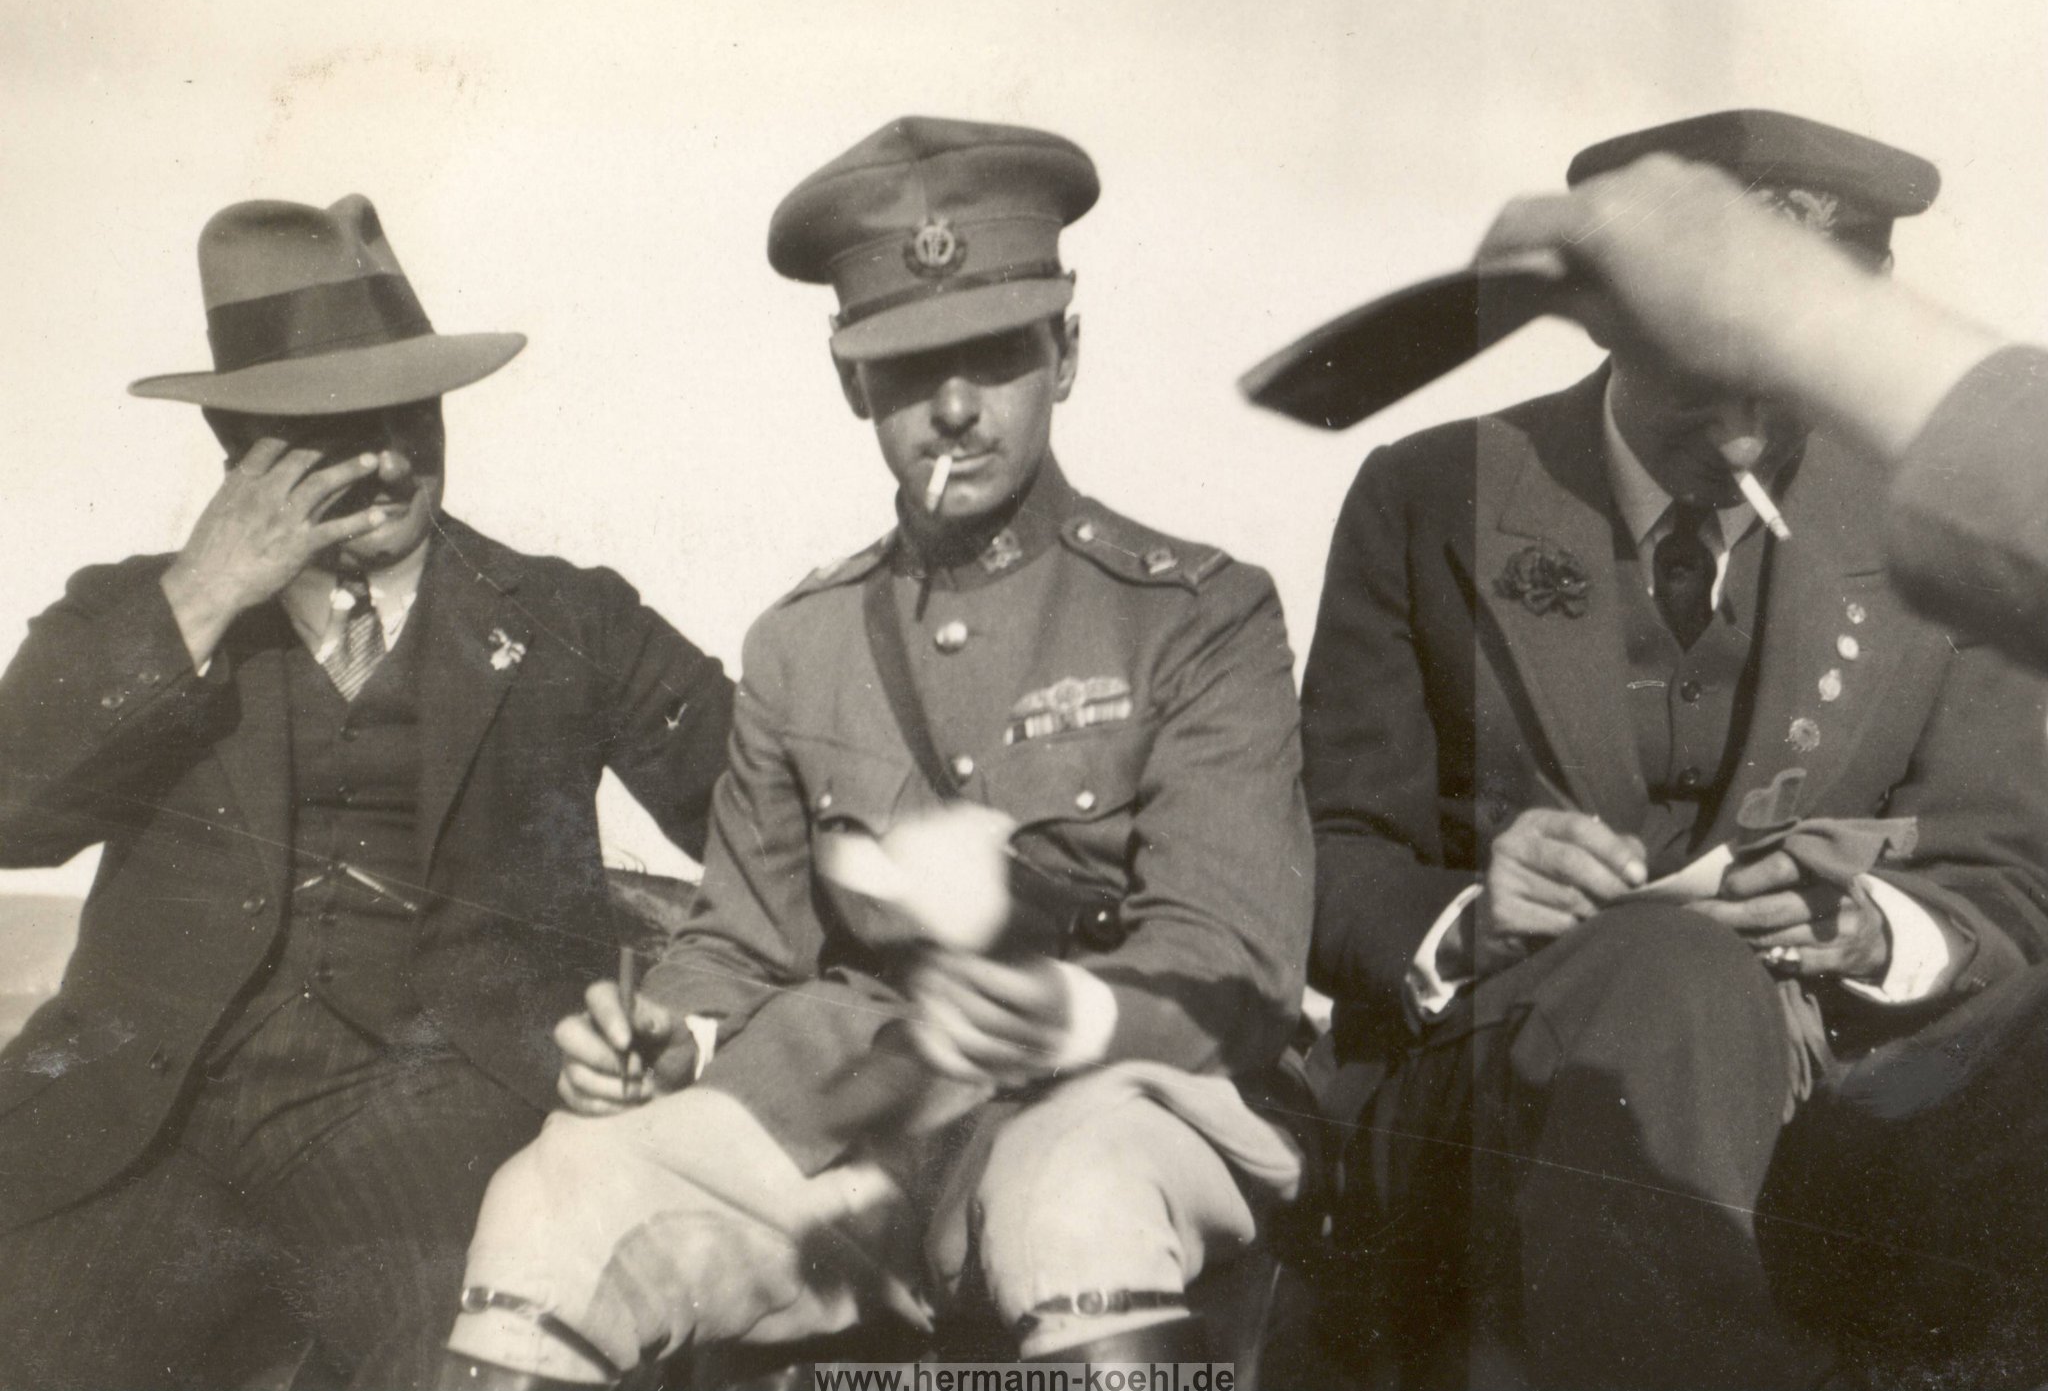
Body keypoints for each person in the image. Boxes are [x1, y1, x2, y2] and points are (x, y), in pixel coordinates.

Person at [439, 116, 1313, 1389]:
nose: (952, 408)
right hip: (855, 1123)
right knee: (552, 1193)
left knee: (1072, 1201)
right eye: (906, 367)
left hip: (1126, 1097)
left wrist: (1058, 1012)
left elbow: (1231, 959)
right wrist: (669, 1035)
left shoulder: (1197, 615)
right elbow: (740, 942)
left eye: (995, 354)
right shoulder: (801, 642)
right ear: (852, 384)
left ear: (1064, 353)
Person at [1300, 110, 2048, 1389]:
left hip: (1844, 1109)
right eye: (1700, 369)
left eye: (1783, 374)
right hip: (1494, 1095)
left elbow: (2008, 877)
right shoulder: (1429, 495)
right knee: (1669, 969)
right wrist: (1471, 916)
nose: (1744, 430)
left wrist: (1874, 931)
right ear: (1602, 322)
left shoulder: (1934, 538)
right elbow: (1327, 851)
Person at [0, 195, 735, 1390]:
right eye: (341, 429)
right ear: (242, 444)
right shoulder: (129, 613)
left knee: (475, 1355)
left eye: (413, 416)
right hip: (133, 1128)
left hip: (430, 1131)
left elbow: (765, 827)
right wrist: (202, 594)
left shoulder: (571, 619)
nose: (391, 461)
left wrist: (686, 1023)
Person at [1474, 146, 2048, 674]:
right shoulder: (1443, 493)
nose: (1743, 447)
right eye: (1700, 376)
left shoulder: (1952, 556)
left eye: (1788, 386)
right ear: (1601, 316)